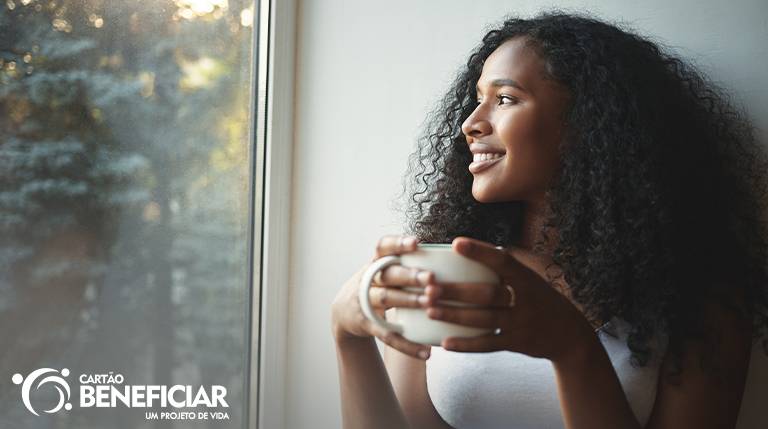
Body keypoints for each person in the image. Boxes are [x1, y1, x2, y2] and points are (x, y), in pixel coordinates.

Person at [331, 11, 768, 429]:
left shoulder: (701, 301)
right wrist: (348, 336)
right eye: (477, 100)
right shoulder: (446, 267)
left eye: (504, 99)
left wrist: (573, 347)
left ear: (588, 123)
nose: (470, 124)